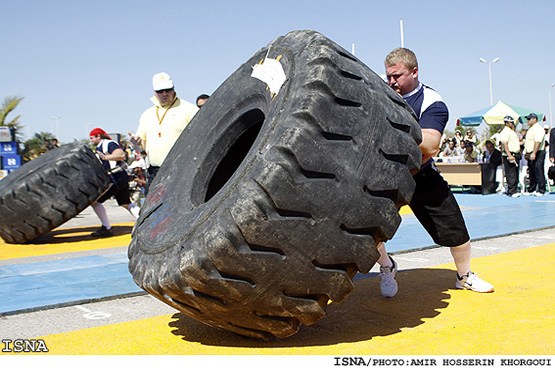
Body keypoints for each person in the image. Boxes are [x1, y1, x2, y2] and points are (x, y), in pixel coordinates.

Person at [378, 47, 494, 297]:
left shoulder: (432, 101)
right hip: (384, 175)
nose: (391, 82)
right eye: (388, 76)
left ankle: (464, 276)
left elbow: (430, 144)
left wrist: (388, 132)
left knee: (456, 230)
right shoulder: (381, 95)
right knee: (366, 231)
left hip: (420, 174)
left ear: (415, 72)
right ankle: (387, 267)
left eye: (397, 76)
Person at [129, 72, 199, 191]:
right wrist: (136, 143)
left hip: (182, 170)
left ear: (173, 89)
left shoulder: (190, 110)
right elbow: (140, 145)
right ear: (154, 92)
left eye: (168, 89)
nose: (165, 94)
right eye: (160, 91)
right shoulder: (147, 114)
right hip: (155, 172)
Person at [89, 128, 140, 237]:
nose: (90, 140)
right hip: (120, 176)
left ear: (98, 136)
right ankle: (145, 222)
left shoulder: (108, 143)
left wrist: (106, 157)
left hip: (115, 177)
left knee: (95, 201)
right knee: (126, 203)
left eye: (92, 138)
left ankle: (107, 228)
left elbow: (121, 155)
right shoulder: (101, 146)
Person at [523, 113, 546, 196]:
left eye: (529, 119)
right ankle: (532, 189)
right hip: (530, 153)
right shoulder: (530, 129)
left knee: (538, 170)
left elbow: (538, 142)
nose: (527, 121)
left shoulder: (538, 129)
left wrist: (534, 153)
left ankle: (541, 190)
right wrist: (526, 152)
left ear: (535, 119)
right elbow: (528, 142)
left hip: (538, 152)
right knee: (531, 171)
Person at [499, 116, 521, 197]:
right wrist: (509, 154)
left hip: (515, 153)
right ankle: (512, 191)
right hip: (510, 154)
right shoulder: (505, 132)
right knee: (511, 173)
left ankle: (514, 189)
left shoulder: (511, 131)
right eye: (511, 122)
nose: (512, 124)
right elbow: (504, 144)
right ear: (507, 123)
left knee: (515, 172)